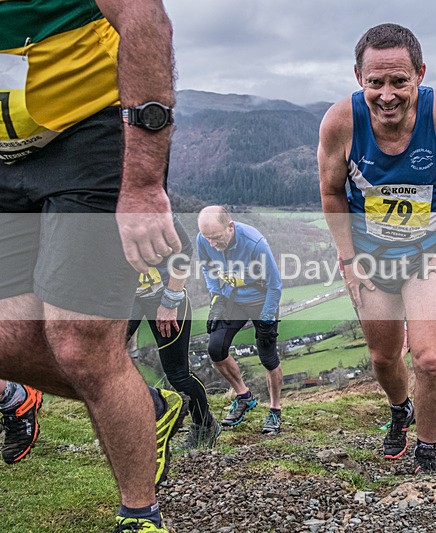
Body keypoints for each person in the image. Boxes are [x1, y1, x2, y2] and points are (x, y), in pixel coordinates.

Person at [1, 2, 184, 531]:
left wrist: (145, 184)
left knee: (81, 341)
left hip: (94, 135)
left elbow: (145, 17)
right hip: (6, 153)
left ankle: (139, 515)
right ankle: (147, 406)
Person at [318, 23, 436, 474]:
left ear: (420, 74)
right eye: (376, 83)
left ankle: (426, 449)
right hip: (371, 259)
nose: (387, 95)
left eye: (399, 82)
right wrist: (348, 260)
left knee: (430, 359)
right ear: (359, 78)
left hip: (428, 255)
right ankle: (399, 409)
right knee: (384, 356)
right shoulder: (339, 123)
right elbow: (332, 193)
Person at [128, 216, 221, 449]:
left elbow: (185, 250)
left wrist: (170, 302)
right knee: (105, 362)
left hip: (166, 295)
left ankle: (205, 425)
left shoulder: (150, 204)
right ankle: (136, 421)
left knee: (178, 374)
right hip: (127, 298)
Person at [197, 206, 284, 435]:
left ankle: (275, 409)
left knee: (268, 357)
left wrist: (266, 321)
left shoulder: (255, 244)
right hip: (231, 299)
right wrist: (216, 297)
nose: (212, 244)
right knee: (215, 349)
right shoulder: (204, 239)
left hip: (260, 300)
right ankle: (244, 396)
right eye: (208, 239)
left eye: (216, 238)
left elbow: (275, 286)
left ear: (230, 227)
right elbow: (207, 268)